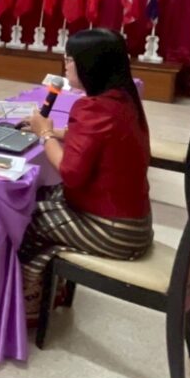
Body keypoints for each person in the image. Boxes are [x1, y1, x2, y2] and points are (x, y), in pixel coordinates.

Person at [17, 28, 152, 321]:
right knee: (43, 194)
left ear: (91, 65)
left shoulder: (93, 107)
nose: (65, 66)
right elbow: (98, 139)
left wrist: (45, 135)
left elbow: (70, 173)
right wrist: (56, 132)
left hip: (113, 232)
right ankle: (50, 287)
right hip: (134, 223)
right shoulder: (122, 99)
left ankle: (31, 303)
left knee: (24, 217)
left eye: (70, 59)